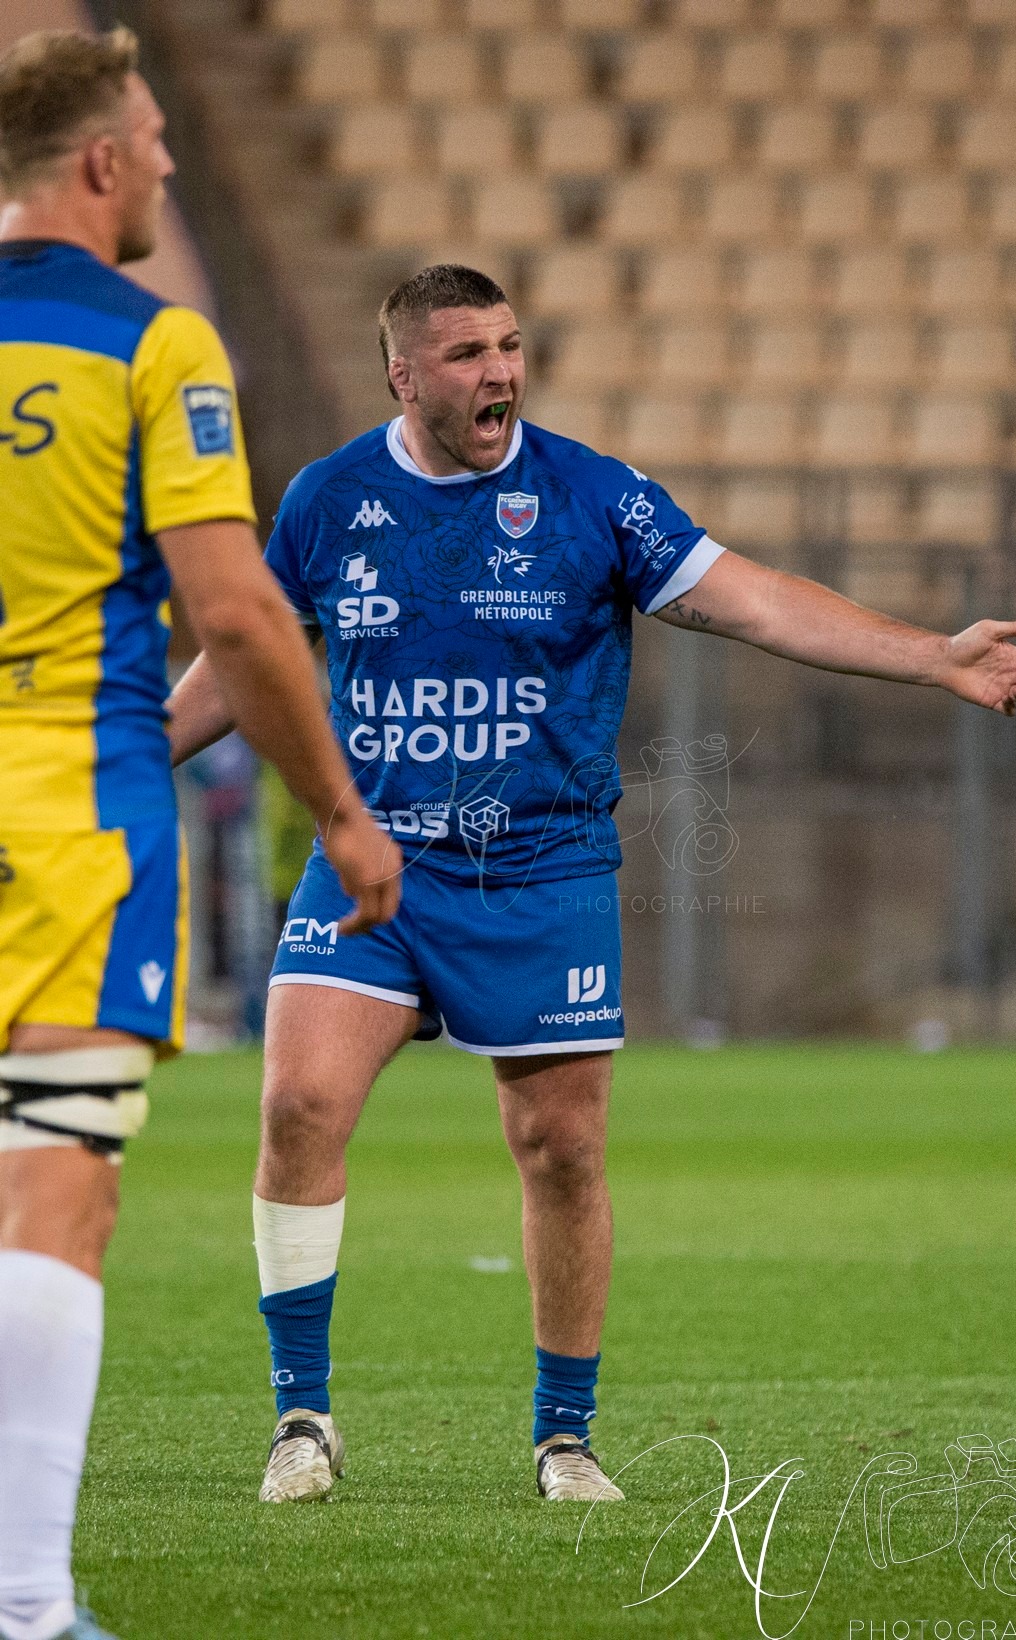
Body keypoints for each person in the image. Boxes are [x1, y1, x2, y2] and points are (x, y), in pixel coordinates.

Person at [168, 262, 1016, 1509]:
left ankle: (564, 1437)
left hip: (545, 872)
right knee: (299, 1104)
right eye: (468, 353)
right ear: (402, 375)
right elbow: (244, 651)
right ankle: (301, 1419)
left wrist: (930, 658)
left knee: (562, 1147)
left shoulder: (592, 495)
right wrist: (117, 762)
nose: (500, 374)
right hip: (376, 865)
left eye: (512, 345)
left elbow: (753, 601)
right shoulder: (328, 501)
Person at [0, 28, 398, 1640]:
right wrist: (342, 813)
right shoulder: (156, 350)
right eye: (155, 142)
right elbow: (235, 611)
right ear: (99, 163)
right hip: (61, 815)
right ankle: (27, 1604)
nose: (168, 164)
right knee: (53, 1183)